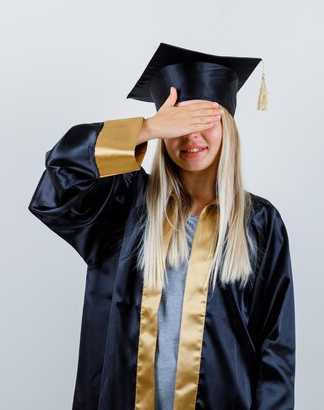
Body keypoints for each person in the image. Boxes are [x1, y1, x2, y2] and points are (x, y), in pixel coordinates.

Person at [28, 42, 295, 410]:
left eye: (205, 121)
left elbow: (275, 345)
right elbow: (60, 175)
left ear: (228, 127)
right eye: (178, 124)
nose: (191, 136)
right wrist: (147, 128)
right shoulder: (124, 204)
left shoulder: (259, 222)